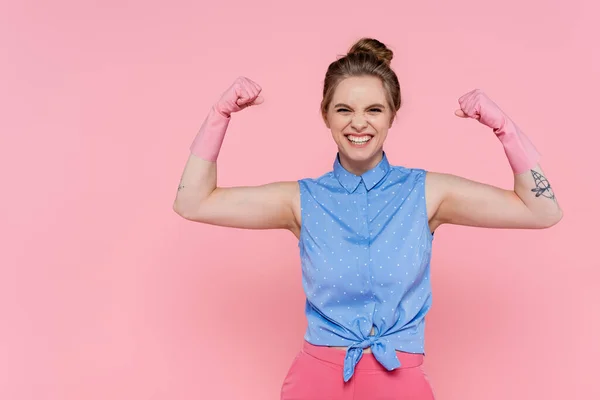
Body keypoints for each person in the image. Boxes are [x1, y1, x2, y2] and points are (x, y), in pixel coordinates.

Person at [173, 38, 563, 400]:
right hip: (315, 382)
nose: (358, 123)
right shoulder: (301, 200)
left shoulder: (426, 193)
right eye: (344, 109)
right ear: (325, 115)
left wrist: (504, 129)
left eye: (373, 110)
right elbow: (193, 202)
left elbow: (542, 210)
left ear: (393, 116)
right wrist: (218, 116)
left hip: (400, 381)